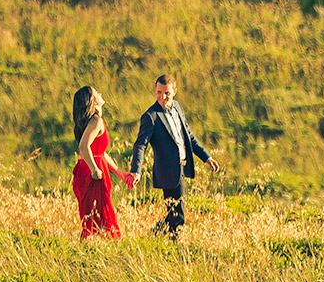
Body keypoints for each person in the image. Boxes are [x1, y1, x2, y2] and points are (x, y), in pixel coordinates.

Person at [129, 72, 218, 239]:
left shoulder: (177, 107)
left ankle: (152, 238)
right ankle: (174, 246)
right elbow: (141, 144)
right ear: (155, 91)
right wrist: (136, 171)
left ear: (174, 91)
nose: (162, 97)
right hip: (168, 171)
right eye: (159, 92)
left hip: (182, 167)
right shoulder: (151, 116)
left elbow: (188, 136)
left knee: (173, 213)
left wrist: (207, 157)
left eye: (167, 93)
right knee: (178, 214)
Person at [71, 84, 135, 239]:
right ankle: (104, 247)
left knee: (93, 217)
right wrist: (94, 169)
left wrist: (119, 172)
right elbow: (84, 147)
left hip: (86, 169)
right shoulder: (96, 120)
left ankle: (93, 249)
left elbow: (100, 152)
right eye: (96, 92)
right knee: (101, 215)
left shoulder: (92, 122)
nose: (100, 93)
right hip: (92, 172)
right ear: (92, 101)